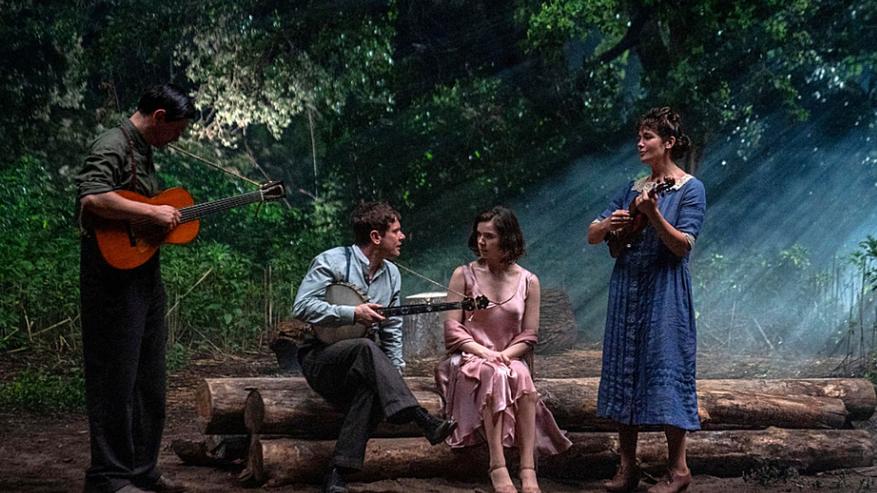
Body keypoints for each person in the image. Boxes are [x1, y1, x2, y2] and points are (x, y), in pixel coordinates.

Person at [76, 84, 196, 493]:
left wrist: (157, 218)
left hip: (143, 276)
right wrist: (150, 211)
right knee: (115, 380)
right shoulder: (112, 143)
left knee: (149, 382)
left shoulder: (143, 149)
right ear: (159, 117)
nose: (177, 138)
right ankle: (109, 478)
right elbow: (93, 199)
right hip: (110, 279)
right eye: (176, 129)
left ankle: (142, 471)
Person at [292, 201, 457, 493]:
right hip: (321, 358)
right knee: (366, 348)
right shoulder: (331, 261)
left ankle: (337, 474)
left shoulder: (392, 274)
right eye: (396, 231)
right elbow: (301, 306)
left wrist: (392, 375)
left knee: (371, 387)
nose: (402, 236)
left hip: (362, 363)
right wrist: (352, 313)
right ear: (376, 237)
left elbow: (392, 329)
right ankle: (420, 417)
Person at [587, 107, 707, 493]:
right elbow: (593, 234)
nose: (640, 143)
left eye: (648, 137)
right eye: (639, 137)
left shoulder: (691, 188)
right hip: (627, 288)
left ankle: (679, 469)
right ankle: (627, 468)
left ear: (668, 143)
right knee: (625, 369)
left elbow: (682, 246)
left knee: (667, 366)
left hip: (665, 289)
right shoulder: (632, 186)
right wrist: (612, 223)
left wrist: (653, 214)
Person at [437, 206, 572, 493]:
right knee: (495, 375)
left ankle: (527, 468)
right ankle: (497, 466)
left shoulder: (529, 281)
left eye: (490, 236)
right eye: (479, 235)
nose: (481, 242)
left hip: (508, 357)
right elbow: (452, 330)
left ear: (507, 239)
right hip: (470, 359)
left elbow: (529, 334)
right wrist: (485, 353)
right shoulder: (463, 275)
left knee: (521, 376)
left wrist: (504, 355)